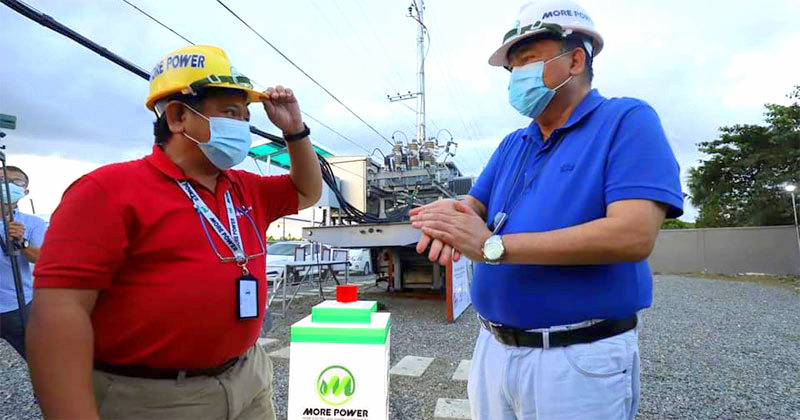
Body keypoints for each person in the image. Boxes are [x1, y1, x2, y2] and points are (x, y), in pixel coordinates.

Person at [410, 1, 683, 419]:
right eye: (512, 68)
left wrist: (495, 247)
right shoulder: (514, 144)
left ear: (576, 59)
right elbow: (474, 203)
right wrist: (450, 217)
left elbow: (633, 235)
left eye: (528, 61)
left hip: (577, 358)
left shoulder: (626, 121)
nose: (517, 76)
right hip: (493, 349)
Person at [28, 45, 322, 419]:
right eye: (231, 113)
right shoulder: (107, 190)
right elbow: (59, 313)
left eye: (246, 117)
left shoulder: (244, 187)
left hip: (247, 378)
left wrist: (296, 131)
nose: (243, 127)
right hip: (155, 397)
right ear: (179, 115)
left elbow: (306, 191)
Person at [0, 165, 46, 360]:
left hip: (19, 305)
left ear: (25, 191)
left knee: (39, 359)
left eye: (15, 183)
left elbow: (41, 259)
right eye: (2, 181)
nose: (7, 186)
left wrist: (21, 242)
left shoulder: (33, 222)